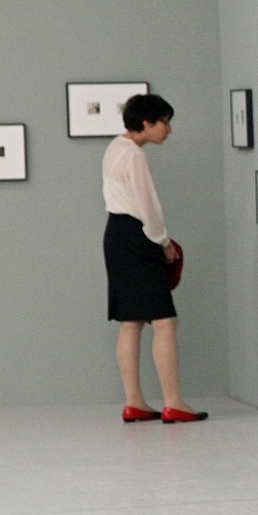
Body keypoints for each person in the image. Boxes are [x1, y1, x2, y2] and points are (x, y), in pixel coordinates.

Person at [102, 93, 206, 425]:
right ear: (146, 122)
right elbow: (148, 207)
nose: (169, 130)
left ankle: (134, 402)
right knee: (164, 321)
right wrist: (164, 243)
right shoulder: (134, 156)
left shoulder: (115, 147)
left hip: (116, 234)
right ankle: (174, 402)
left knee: (130, 321)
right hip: (138, 236)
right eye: (165, 122)